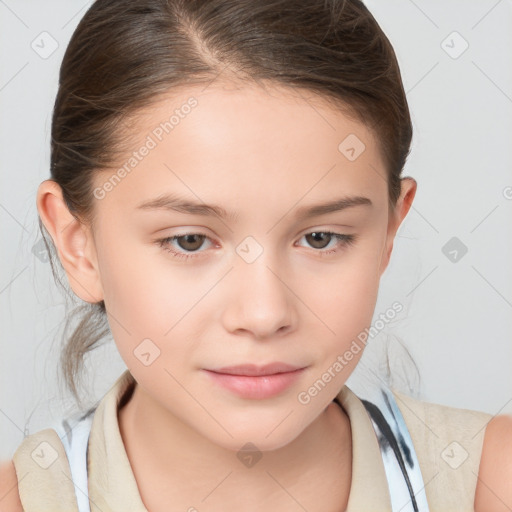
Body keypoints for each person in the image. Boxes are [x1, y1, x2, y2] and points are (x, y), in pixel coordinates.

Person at [1, 0, 511, 510]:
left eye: (321, 238)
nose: (264, 315)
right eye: (190, 241)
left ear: (388, 231)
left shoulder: (492, 481)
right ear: (78, 245)